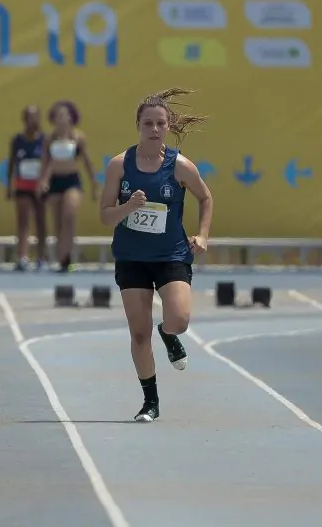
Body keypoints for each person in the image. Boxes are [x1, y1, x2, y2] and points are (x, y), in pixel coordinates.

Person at [99, 88, 213, 424]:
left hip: (170, 255)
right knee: (138, 333)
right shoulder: (120, 165)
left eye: (160, 123)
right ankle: (150, 401)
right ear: (138, 125)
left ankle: (169, 334)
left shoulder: (180, 166)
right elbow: (105, 216)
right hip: (132, 257)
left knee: (179, 320)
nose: (154, 128)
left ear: (168, 126)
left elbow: (206, 198)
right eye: (147, 123)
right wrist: (127, 207)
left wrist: (203, 235)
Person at [37, 100, 98, 272]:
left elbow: (87, 162)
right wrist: (42, 182)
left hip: (72, 180)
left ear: (72, 118)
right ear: (54, 119)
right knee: (57, 222)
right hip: (55, 181)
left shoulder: (78, 137)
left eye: (65, 115)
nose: (62, 118)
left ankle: (68, 255)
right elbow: (45, 163)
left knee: (69, 214)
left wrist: (94, 184)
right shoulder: (49, 139)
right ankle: (62, 258)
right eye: (58, 115)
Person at [6, 105, 47, 271]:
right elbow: (11, 162)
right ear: (24, 119)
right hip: (23, 184)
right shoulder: (17, 140)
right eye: (29, 117)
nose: (32, 121)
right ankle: (22, 257)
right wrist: (9, 184)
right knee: (23, 221)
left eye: (35, 117)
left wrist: (45, 181)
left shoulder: (44, 139)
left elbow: (48, 163)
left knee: (41, 221)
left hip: (40, 187)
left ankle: (41, 258)